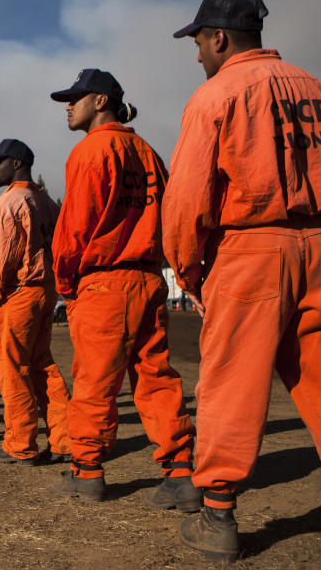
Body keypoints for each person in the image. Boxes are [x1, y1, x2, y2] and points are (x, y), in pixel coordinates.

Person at [165, 0, 321, 565]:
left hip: (251, 249)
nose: (197, 55)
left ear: (217, 38)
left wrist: (190, 271)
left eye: (199, 43)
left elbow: (187, 201)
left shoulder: (216, 95)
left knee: (231, 379)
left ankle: (217, 514)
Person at [50, 68, 197, 504]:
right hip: (148, 279)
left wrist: (65, 282)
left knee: (94, 380)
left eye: (75, 97)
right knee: (157, 377)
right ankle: (181, 472)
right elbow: (172, 216)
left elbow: (75, 226)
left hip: (104, 283)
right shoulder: (148, 152)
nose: (67, 105)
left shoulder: (90, 151)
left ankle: (87, 473)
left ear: (100, 101)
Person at [0, 138, 72, 465]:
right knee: (42, 363)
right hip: (46, 290)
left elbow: (4, 257)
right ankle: (64, 439)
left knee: (12, 366)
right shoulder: (45, 200)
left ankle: (20, 444)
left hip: (20, 291)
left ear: (16, 162)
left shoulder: (10, 201)